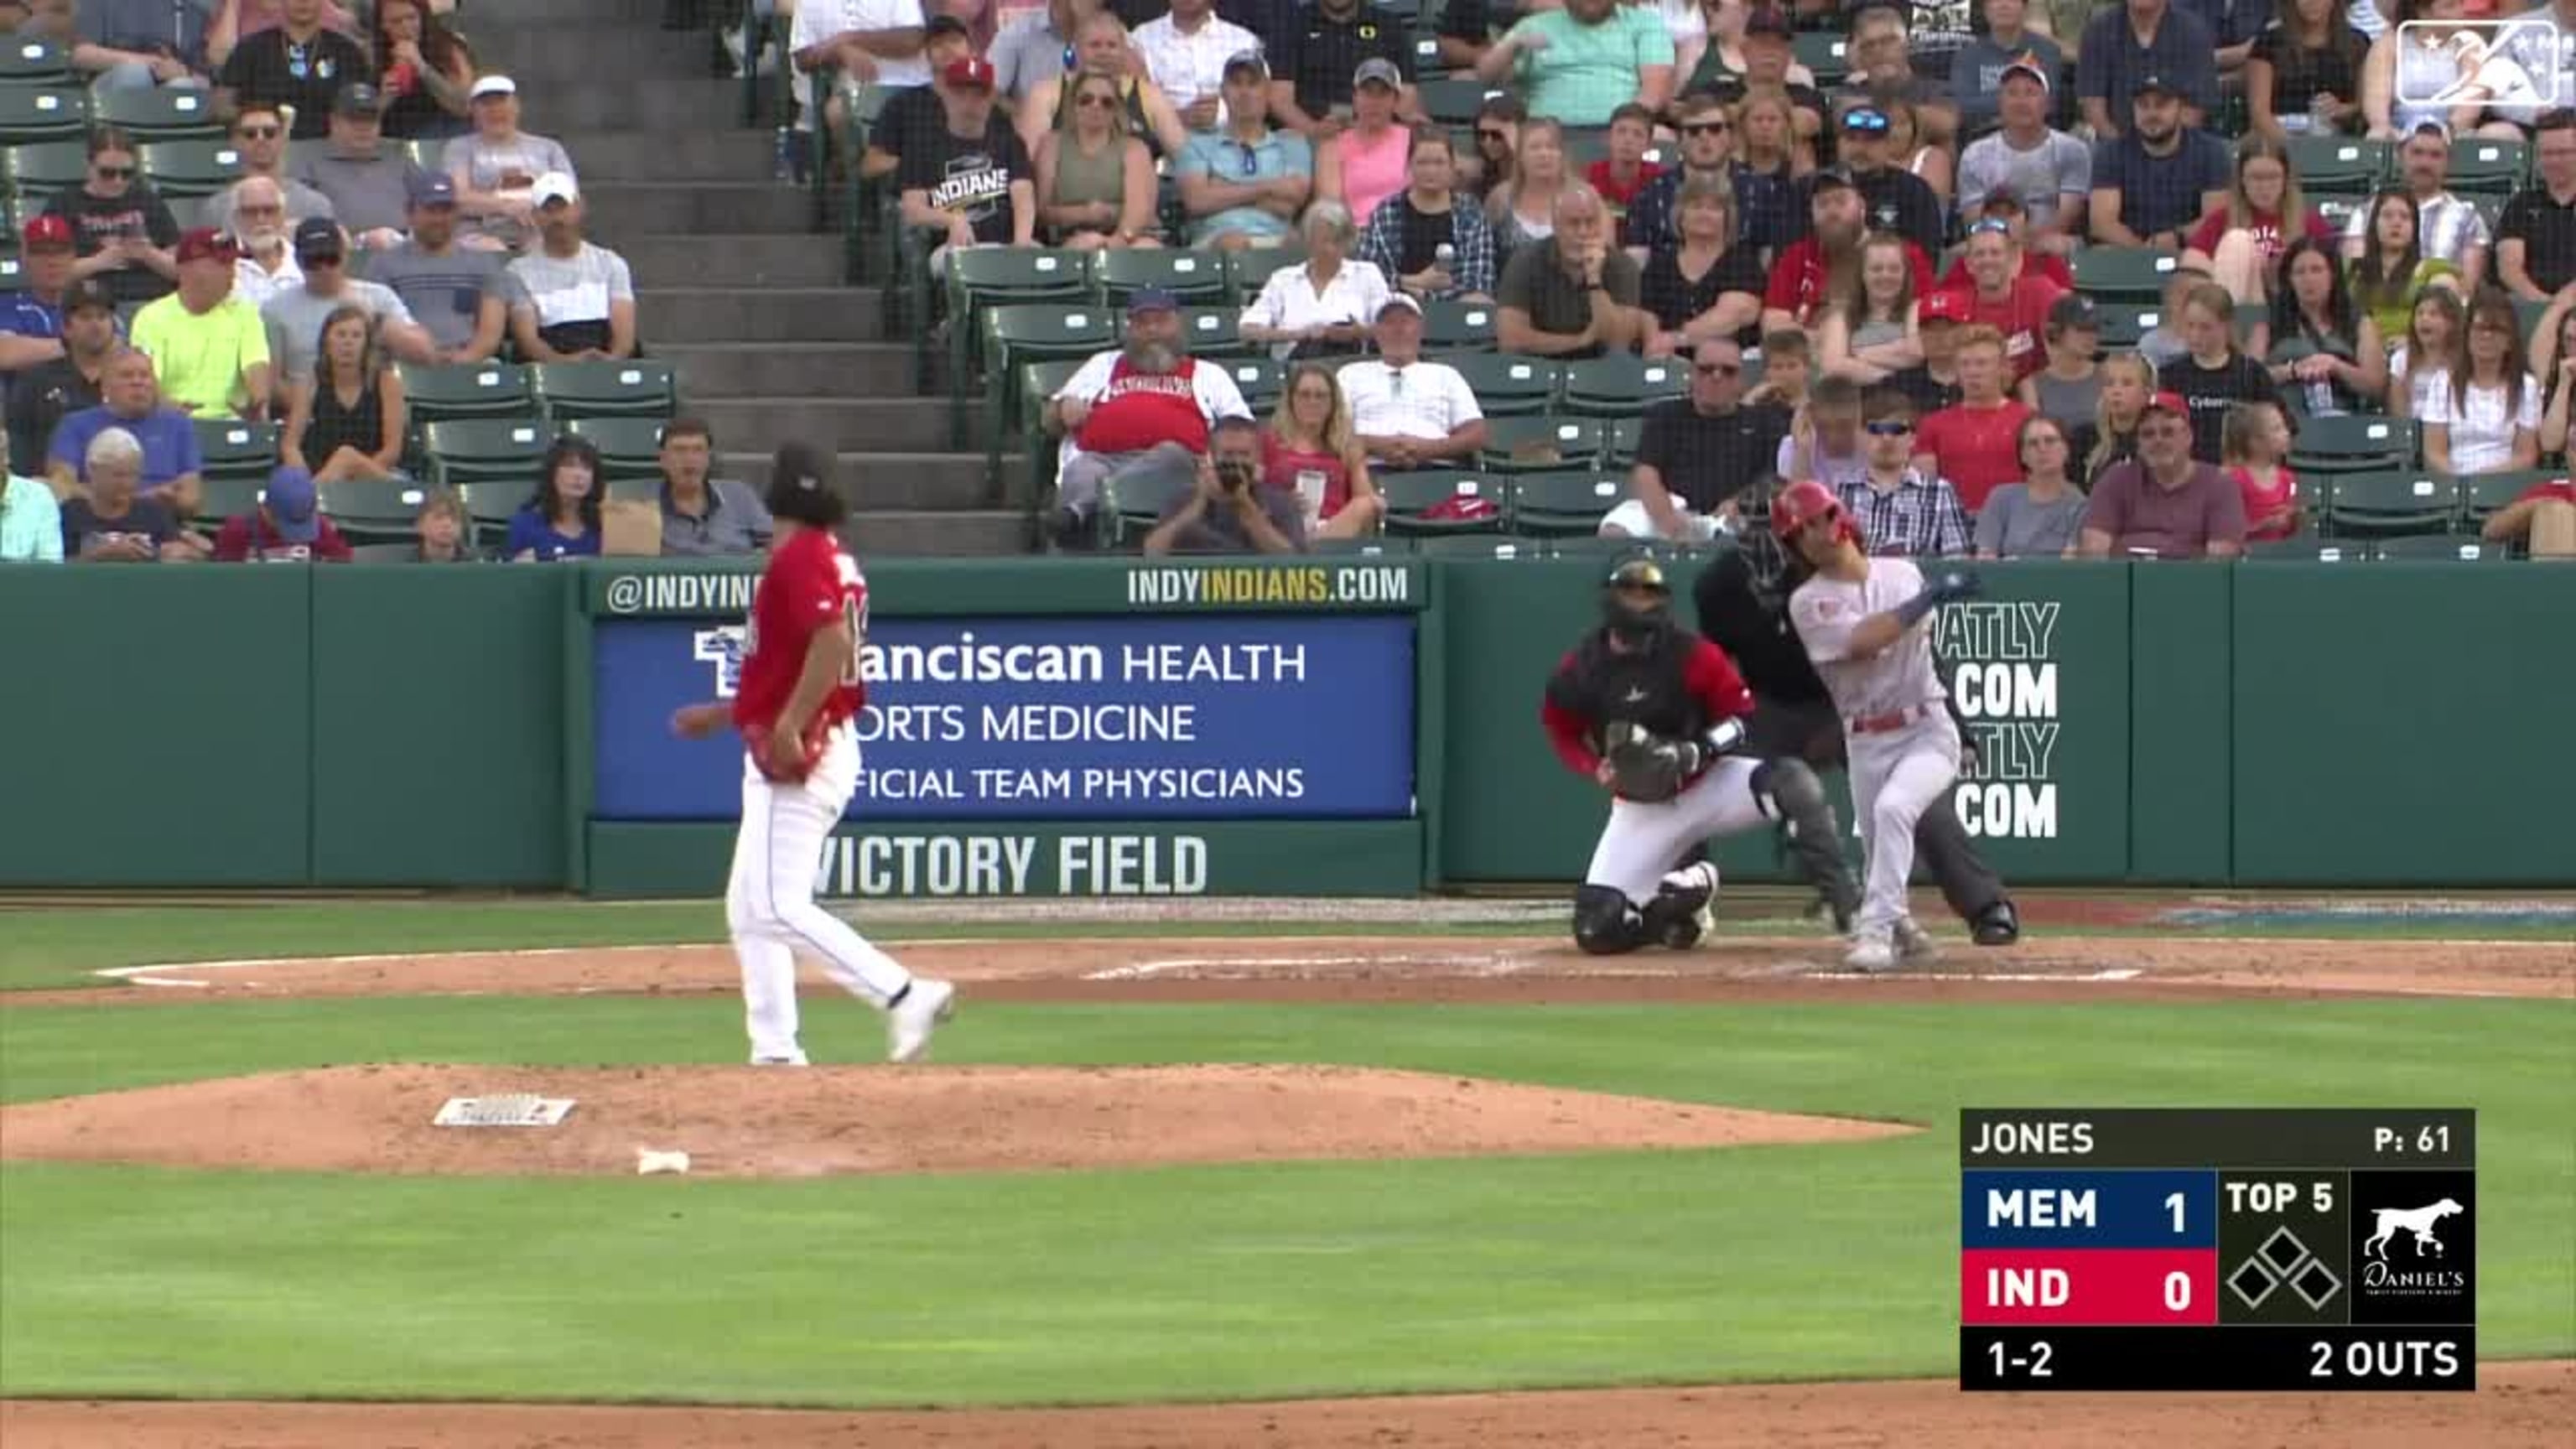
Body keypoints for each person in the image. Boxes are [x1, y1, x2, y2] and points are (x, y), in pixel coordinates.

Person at [667, 441, 959, 1067]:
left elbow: (831, 645)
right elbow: (802, 657)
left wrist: (791, 723)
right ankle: (774, 1051)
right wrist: (725, 716)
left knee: (775, 905)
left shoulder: (801, 556)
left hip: (809, 745)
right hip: (812, 737)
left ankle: (905, 993)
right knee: (749, 908)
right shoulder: (832, 555)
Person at [1690, 537, 2018, 943]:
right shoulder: (1720, 584)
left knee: (1918, 799)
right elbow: (1715, 670)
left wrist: (1960, 730)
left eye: (1783, 537)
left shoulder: (1846, 579)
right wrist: (1709, 736)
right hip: (1768, 707)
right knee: (1696, 770)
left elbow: (1920, 658)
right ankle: (1681, 896)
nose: (1769, 556)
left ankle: (1985, 905)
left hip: (1850, 707)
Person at [1778, 480, 1986, 971]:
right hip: (1866, 738)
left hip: (1927, 728)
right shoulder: (1807, 601)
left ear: (1840, 517)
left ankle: (1874, 934)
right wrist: (1927, 599)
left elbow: (1919, 651)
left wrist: (1921, 596)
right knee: (1876, 842)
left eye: (1820, 519)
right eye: (1801, 531)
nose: (1815, 533)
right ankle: (1905, 930)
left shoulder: (1902, 572)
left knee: (1895, 811)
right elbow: (1864, 641)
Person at [1538, 555, 1792, 956]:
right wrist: (1593, 766)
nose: (1640, 603)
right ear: (1610, 597)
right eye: (1630, 592)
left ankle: (1698, 879)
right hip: (1638, 803)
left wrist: (1702, 750)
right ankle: (1676, 910)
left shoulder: (1691, 653)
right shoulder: (1582, 667)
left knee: (1788, 785)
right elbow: (1559, 727)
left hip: (1704, 780)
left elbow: (1743, 716)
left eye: (1649, 593)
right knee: (1597, 927)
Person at [1046, 287, 1251, 542]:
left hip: (1177, 469)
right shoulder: (1103, 364)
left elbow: (1242, 429)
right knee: (1083, 468)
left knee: (1170, 453)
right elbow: (1050, 420)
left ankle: (1083, 508)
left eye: (1161, 321)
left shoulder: (1208, 374)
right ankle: (1087, 512)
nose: (1152, 330)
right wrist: (1062, 408)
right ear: (1129, 329)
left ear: (1178, 325)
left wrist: (1214, 460)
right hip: (1103, 460)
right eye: (1142, 323)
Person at [1601, 338, 1789, 542]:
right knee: (1614, 531)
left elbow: (1775, 478)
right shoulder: (1665, 414)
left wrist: (1740, 502)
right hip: (1673, 509)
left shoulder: (1764, 422)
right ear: (1692, 375)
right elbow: (1646, 474)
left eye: (1728, 371)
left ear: (1741, 380)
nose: (1716, 377)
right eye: (1706, 369)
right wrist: (1668, 518)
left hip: (1733, 517)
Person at [899, 57, 1038, 278]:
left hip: (1008, 246)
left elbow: (1023, 197)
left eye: (979, 94)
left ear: (991, 97)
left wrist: (1021, 244)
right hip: (953, 249)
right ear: (945, 93)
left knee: (1043, 264)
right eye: (960, 92)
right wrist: (952, 219)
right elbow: (912, 209)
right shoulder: (922, 146)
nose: (969, 102)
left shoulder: (1009, 143)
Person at [264, 217, 434, 387]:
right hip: (305, 404)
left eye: (331, 259)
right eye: (313, 261)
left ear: (345, 256)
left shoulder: (378, 297)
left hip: (371, 404)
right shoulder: (277, 308)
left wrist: (374, 320)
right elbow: (272, 385)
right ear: (298, 261)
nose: (324, 269)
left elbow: (424, 354)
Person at [365, 172, 514, 365]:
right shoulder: (383, 264)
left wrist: (463, 360)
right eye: (430, 210)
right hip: (404, 365)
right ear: (410, 213)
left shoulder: (483, 263)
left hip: (470, 362)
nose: (439, 219)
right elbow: (378, 325)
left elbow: (490, 332)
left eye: (446, 210)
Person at [2078, 388, 2249, 556]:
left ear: (2188, 436)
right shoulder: (2116, 479)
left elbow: (2221, 559)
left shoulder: (2219, 485)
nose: (2157, 441)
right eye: (2148, 434)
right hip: (2124, 580)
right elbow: (2094, 550)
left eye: (2168, 432)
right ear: (2138, 443)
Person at [1173, 52, 1314, 252]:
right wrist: (1269, 189)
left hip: (1278, 241)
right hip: (1215, 243)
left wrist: (1221, 188)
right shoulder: (1197, 143)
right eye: (1236, 83)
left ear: (1267, 91)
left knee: (1299, 246)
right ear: (1223, 91)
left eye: (1253, 83)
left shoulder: (1291, 142)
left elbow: (1292, 201)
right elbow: (1197, 201)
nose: (1245, 92)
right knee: (1233, 242)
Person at [1764, 172, 1932, 337]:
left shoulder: (1904, 254)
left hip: (1881, 356)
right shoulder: (1797, 256)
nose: (1832, 211)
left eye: (1841, 201)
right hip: (1806, 359)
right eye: (1822, 204)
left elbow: (1927, 322)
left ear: (1862, 207)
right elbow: (1772, 323)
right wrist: (1826, 344)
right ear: (1812, 213)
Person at [1495, 185, 1651, 359]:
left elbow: (1620, 340)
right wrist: (1579, 340)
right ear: (1555, 225)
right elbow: (1511, 337)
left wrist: (1594, 280)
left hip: (1601, 367)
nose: (1583, 232)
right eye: (1573, 223)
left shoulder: (1622, 265)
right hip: (1541, 364)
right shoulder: (1525, 261)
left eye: (1590, 222)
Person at [129, 229, 271, 419]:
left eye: (232, 264)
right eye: (222, 264)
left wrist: (259, 404)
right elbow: (148, 383)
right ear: (187, 269)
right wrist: (178, 414)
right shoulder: (152, 318)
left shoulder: (244, 313)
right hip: (172, 423)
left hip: (232, 424)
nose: (232, 273)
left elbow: (256, 366)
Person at [1335, 293, 1488, 470]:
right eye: (1389, 323)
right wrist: (1376, 445)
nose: (1398, 329)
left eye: (1405, 322)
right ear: (1376, 332)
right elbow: (1335, 429)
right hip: (1366, 469)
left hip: (1436, 469)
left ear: (1421, 329)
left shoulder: (1447, 375)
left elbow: (1476, 433)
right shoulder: (1351, 373)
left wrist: (1426, 448)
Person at [1955, 58, 2092, 253]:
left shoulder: (2073, 150)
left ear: (2047, 104)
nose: (2021, 101)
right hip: (1992, 239)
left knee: (2059, 245)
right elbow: (1974, 218)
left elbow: (2067, 217)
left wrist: (2027, 244)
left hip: (2052, 241)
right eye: (2012, 93)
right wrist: (2007, 243)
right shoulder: (1975, 154)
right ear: (2000, 103)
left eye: (2030, 93)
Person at [45, 348, 203, 517]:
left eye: (145, 375)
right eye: (127, 376)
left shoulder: (178, 424)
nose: (138, 382)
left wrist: (108, 497)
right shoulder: (75, 425)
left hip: (162, 524)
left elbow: (190, 499)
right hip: (97, 523)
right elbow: (63, 488)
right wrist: (142, 500)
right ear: (105, 387)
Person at [2181, 134, 2336, 306]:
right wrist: (2240, 268)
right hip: (2241, 303)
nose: (2264, 187)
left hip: (2292, 306)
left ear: (2286, 179)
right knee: (2238, 242)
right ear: (2242, 179)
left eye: (2273, 177)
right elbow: (2190, 263)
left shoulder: (2310, 222)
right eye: (2256, 178)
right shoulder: (2222, 219)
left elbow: (2332, 275)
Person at [1478, 0, 1677, 129]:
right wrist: (1511, 44)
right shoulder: (1535, 25)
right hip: (1546, 135)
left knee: (1660, 138)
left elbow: (1654, 91)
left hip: (1616, 132)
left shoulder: (1646, 24)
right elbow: (1486, 76)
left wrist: (1625, 128)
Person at [41, 127, 182, 309]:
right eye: (107, 173)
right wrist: (98, 262)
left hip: (151, 302)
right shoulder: (63, 204)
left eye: (126, 173)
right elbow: (49, 273)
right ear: (89, 166)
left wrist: (148, 254)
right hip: (88, 305)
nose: (118, 181)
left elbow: (180, 271)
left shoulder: (148, 201)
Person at [2342, 122, 2490, 293]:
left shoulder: (2468, 220)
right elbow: (2353, 279)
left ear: (2448, 161)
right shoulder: (2366, 213)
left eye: (2435, 155)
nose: (2424, 163)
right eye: (2417, 152)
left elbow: (2466, 292)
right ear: (2400, 155)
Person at [2086, 75, 2231, 251]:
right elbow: (2102, 223)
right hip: (2129, 250)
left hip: (2191, 249)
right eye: (2143, 105)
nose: (2152, 114)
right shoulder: (2111, 153)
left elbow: (2215, 218)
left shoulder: (2210, 151)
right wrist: (2145, 253)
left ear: (2180, 107)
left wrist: (2179, 237)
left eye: (2161, 105)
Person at [506, 175, 641, 362]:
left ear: (579, 207)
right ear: (535, 216)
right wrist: (565, 362)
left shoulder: (611, 264)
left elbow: (624, 334)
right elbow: (528, 340)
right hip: (550, 366)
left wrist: (613, 360)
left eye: (562, 207)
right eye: (548, 210)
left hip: (604, 356)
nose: (557, 217)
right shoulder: (518, 272)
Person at [1020, 10, 1187, 159]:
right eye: (1095, 45)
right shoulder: (1046, 94)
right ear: (1076, 50)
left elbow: (1184, 156)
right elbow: (1026, 161)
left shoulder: (1149, 95)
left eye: (1112, 45)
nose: (1104, 53)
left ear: (1124, 50)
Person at [2253, 236, 2388, 417]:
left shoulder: (2359, 322)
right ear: (2290, 279)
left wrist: (2336, 366)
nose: (2308, 279)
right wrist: (2292, 370)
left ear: (2332, 274)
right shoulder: (2270, 320)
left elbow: (2375, 385)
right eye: (2300, 272)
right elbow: (2248, 378)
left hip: (2344, 420)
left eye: (2317, 270)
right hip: (2282, 422)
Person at [1238, 202, 1390, 361]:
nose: (1330, 248)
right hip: (1294, 367)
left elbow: (1390, 326)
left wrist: (1356, 332)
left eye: (1337, 241)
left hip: (1350, 364)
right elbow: (1247, 329)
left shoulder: (1367, 274)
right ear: (1309, 241)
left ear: (1348, 241)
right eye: (1324, 241)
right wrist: (1299, 334)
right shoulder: (1283, 279)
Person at [1358, 128, 1496, 303]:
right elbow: (1367, 277)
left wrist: (1425, 295)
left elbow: (1478, 280)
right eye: (1422, 163)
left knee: (1479, 301)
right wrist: (1419, 282)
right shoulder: (1386, 212)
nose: (1431, 170)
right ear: (1409, 165)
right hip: (1395, 306)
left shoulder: (1470, 213)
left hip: (1453, 308)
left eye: (1439, 163)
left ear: (1452, 166)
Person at [1792, 106, 1943, 263]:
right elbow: (1790, 255)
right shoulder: (1808, 188)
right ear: (1839, 143)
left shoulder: (1914, 191)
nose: (1860, 148)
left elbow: (1926, 259)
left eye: (1871, 140)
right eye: (1851, 139)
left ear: (1887, 145)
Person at [444, 76, 579, 252]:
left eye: (501, 102)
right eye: (486, 105)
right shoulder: (460, 148)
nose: (495, 111)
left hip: (538, 231)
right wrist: (506, 206)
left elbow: (570, 198)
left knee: (544, 250)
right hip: (478, 233)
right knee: (491, 249)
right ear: (473, 111)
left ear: (516, 106)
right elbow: (457, 198)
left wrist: (535, 207)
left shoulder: (548, 148)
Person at [1140, 414, 1306, 554]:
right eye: (1228, 454)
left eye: (1244, 454)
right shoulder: (1183, 498)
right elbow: (1152, 552)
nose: (1236, 462)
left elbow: (1291, 561)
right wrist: (1197, 504)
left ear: (1258, 459)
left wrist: (1246, 506)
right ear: (1211, 457)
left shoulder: (1279, 501)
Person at [1836, 387, 1972, 556]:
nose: (1887, 439)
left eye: (1897, 430)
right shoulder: (1838, 492)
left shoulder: (1940, 492)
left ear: (1913, 438)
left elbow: (1956, 561)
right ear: (1861, 436)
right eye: (1876, 430)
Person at [1913, 325, 2035, 514]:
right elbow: (1925, 492)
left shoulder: (2028, 421)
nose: (1973, 371)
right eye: (1965, 364)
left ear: (2003, 367)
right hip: (1953, 525)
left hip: (2013, 526)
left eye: (1982, 363)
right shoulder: (1933, 425)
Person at [1639, 179, 1767, 358]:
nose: (1704, 214)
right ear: (1680, 216)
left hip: (1727, 363)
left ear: (1727, 218)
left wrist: (1675, 339)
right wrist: (1654, 345)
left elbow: (1731, 317)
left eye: (1714, 208)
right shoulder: (1660, 264)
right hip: (1666, 361)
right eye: (1696, 206)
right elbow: (1647, 318)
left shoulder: (1742, 261)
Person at [292, 81, 428, 250]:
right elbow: (299, 214)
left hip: (405, 248)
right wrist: (358, 240)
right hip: (337, 252)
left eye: (370, 119)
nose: (363, 127)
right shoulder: (308, 158)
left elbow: (429, 199)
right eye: (354, 119)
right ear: (334, 121)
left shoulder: (398, 156)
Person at [1036, 70, 1161, 248]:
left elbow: (1139, 210)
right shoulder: (1051, 145)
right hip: (1070, 238)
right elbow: (1041, 212)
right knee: (1088, 243)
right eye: (1086, 100)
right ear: (1073, 104)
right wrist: (1085, 213)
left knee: (1146, 249)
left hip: (1129, 236)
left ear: (1116, 109)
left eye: (1107, 102)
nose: (1096, 106)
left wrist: (1116, 241)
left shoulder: (1134, 148)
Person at [2421, 289, 2542, 475]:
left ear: (2509, 341)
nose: (2486, 336)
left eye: (2496, 330)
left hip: (2506, 484)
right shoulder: (2443, 382)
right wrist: (2463, 484)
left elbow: (2526, 456)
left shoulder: (2526, 387)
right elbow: (2434, 453)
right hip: (2453, 484)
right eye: (2479, 328)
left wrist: (2482, 482)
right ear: (2467, 335)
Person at [7, 279, 117, 477]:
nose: (96, 324)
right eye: (85, 317)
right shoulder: (36, 380)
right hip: (51, 495)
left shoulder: (129, 379)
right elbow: (19, 445)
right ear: (66, 327)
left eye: (103, 317)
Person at [2158, 281, 2280, 462]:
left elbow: (2277, 431)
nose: (2195, 335)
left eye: (2205, 327)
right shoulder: (2171, 375)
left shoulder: (2251, 374)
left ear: (2226, 326)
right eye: (2190, 325)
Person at [280, 304, 404, 482]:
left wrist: (353, 473)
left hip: (378, 475)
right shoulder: (309, 383)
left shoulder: (387, 382)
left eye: (356, 336)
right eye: (341, 335)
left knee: (346, 457)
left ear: (366, 343)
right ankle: (311, 492)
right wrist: (301, 477)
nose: (348, 342)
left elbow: (392, 451)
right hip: (323, 473)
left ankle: (309, 498)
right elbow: (290, 446)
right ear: (326, 342)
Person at [1261, 361, 1384, 540]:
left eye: (1321, 396)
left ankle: (1311, 549)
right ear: (1291, 400)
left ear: (1332, 402)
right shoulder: (1269, 441)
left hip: (1333, 529)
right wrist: (1282, 502)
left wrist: (1376, 502)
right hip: (1285, 527)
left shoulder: (1347, 444)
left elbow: (1364, 497)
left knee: (1365, 504)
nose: (1313, 402)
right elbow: (1254, 494)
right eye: (1304, 395)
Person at [1941, 218, 2067, 382]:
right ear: (1968, 264)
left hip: (2036, 393)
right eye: (1980, 254)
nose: (1988, 260)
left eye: (1995, 253)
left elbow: (2065, 345)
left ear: (2011, 259)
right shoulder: (1956, 304)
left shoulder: (2040, 290)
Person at [2078, 0, 2219, 138]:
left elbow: (2195, 109)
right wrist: (2122, 152)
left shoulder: (2194, 33)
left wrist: (2161, 149)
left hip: (2181, 148)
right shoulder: (2098, 31)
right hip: (2115, 146)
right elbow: (2094, 108)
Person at [2345, 189, 2467, 346]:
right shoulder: (2351, 270)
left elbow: (2447, 328)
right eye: (2387, 216)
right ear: (2374, 223)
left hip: (2412, 354)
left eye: (2405, 217)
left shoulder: (2434, 271)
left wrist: (2411, 342)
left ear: (2414, 227)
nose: (2396, 223)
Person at [1622, 91, 1736, 258]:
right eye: (1694, 131)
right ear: (1679, 139)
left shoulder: (1762, 191)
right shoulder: (1649, 196)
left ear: (1731, 135)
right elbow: (1637, 264)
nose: (1705, 137)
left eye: (1715, 128)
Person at [205, 104, 337, 237]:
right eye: (250, 134)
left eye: (270, 133)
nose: (260, 139)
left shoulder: (314, 204)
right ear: (235, 142)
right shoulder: (218, 207)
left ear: (283, 139)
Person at [1132, 0, 1260, 135]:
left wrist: (1221, 113)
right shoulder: (1141, 39)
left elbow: (1259, 100)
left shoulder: (1243, 42)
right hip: (1165, 144)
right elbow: (1133, 107)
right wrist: (1176, 118)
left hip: (1233, 141)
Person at [58, 425, 185, 561]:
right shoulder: (70, 514)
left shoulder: (154, 513)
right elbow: (55, 570)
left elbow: (173, 559)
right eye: (119, 475)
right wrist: (98, 555)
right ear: (92, 470)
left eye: (133, 475)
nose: (128, 484)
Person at [2247, 0, 2370, 141]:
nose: (2313, 2)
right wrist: (2294, 149)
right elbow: (2260, 114)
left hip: (2339, 139)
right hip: (2279, 137)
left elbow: (2364, 107)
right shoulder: (2268, 43)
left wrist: (2342, 110)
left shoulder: (2358, 44)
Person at [1975, 414, 2090, 556]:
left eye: (2050, 441)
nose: (2042, 449)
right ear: (2023, 455)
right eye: (2032, 443)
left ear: (2066, 449)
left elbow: (2069, 565)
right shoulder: (2001, 498)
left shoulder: (2081, 505)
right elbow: (1986, 557)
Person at [1314, 58, 1411, 227]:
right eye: (1367, 93)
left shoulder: (1412, 140)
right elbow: (1330, 210)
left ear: (1396, 101)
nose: (1374, 102)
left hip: (1403, 232)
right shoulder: (1333, 147)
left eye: (1383, 94)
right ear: (1355, 98)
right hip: (1354, 236)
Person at [657, 418, 774, 557]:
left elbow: (776, 544)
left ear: (708, 459)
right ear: (663, 459)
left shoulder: (740, 495)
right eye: (679, 450)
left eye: (698, 450)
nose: (689, 458)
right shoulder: (642, 505)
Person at [1819, 231, 1923, 384]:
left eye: (1894, 269)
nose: (1885, 275)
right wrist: (1888, 378)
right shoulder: (1842, 317)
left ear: (1905, 273)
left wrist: (1859, 355)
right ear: (1862, 274)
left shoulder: (1916, 309)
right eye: (1876, 269)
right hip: (1856, 402)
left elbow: (1916, 352)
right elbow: (1833, 365)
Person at [2496, 109, 2576, 302]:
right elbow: (2509, 269)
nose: (2555, 161)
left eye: (2564, 152)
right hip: (2533, 307)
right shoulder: (2521, 205)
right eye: (2547, 153)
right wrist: (2545, 304)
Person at [1951, 0, 2065, 136]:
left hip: (2036, 138)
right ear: (1985, 10)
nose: (2003, 5)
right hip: (1982, 138)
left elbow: (2048, 101)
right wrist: (2022, 100)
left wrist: (1991, 103)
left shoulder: (2047, 51)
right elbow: (1964, 106)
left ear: (2025, 8)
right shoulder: (1967, 56)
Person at [371, 0, 474, 140]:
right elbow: (356, 121)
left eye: (411, 18)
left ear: (422, 17)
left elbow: (464, 106)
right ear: (383, 25)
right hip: (396, 139)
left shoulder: (447, 47)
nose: (406, 26)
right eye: (396, 21)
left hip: (446, 136)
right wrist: (383, 100)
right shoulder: (372, 55)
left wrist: (422, 68)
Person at [210, 463, 352, 560]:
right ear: (265, 511)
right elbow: (223, 581)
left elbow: (342, 567)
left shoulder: (320, 528)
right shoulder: (237, 531)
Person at [2018, 293, 2104, 441]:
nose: (2090, 336)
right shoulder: (2031, 385)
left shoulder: (2108, 375)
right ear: (2056, 332)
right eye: (2081, 329)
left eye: (2094, 329)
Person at [506, 434, 604, 562]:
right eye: (569, 465)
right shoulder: (525, 525)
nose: (579, 475)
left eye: (587, 468)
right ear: (551, 473)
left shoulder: (605, 525)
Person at [1488, 117, 1572, 262]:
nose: (1544, 154)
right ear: (1520, 156)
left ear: (1562, 154)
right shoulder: (1500, 198)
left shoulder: (1584, 197)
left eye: (1551, 147)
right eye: (1535, 147)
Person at [2220, 398, 2304, 542]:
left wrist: (2295, 518)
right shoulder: (2234, 479)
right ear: (2255, 442)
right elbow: (2224, 532)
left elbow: (2289, 531)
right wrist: (2262, 526)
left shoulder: (2288, 479)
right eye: (2277, 429)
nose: (2286, 433)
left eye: (2284, 427)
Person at [1883, 288, 1970, 415]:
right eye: (1930, 328)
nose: (1939, 336)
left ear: (1964, 331)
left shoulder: (1980, 380)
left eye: (1948, 327)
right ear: (1920, 333)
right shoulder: (1899, 383)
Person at [2387, 284, 2466, 418]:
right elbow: (2399, 416)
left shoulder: (2464, 361)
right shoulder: (2401, 360)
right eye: (2419, 313)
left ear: (2452, 322)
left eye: (2433, 314)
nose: (2424, 319)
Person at [2083, 350, 2157, 481]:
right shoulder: (2085, 437)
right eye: (2109, 383)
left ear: (2147, 392)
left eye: (2127, 383)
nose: (2116, 391)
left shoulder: (2158, 440)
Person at [1587, 103, 1664, 216]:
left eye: (1638, 134)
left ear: (1649, 145)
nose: (1628, 140)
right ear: (1608, 138)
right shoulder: (1589, 177)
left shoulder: (1660, 179)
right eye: (1621, 131)